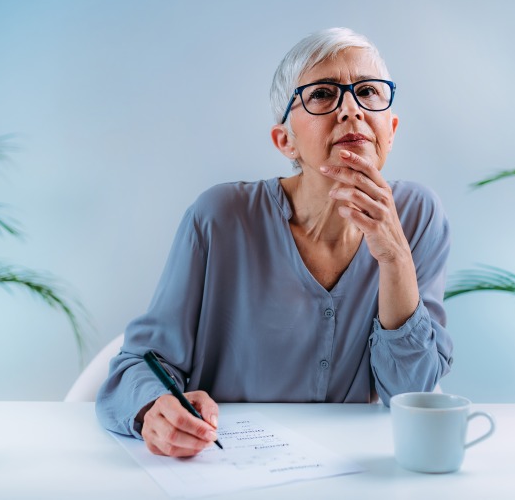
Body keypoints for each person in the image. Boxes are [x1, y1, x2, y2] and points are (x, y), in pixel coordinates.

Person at [95, 27, 453, 458]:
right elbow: (137, 365)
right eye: (323, 94)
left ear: (390, 130)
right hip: (226, 465)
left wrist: (395, 255)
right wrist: (154, 409)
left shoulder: (418, 215)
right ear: (285, 141)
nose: (351, 110)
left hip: (353, 472)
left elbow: (410, 395)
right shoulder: (220, 217)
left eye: (369, 92)